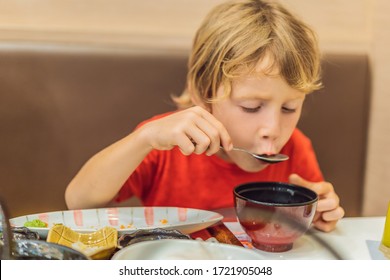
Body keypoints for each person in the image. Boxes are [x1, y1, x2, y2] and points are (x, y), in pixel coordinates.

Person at [65, 0, 344, 232]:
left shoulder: (296, 148)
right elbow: (78, 201)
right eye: (250, 107)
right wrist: (144, 138)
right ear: (202, 93)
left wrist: (316, 215)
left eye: (289, 108)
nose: (273, 129)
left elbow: (302, 230)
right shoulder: (163, 143)